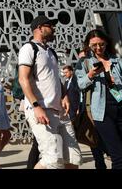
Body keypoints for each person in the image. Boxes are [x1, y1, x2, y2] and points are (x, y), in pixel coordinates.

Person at [18, 15, 82, 169]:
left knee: (73, 160)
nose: (54, 28)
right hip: (42, 111)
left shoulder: (51, 52)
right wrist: (36, 106)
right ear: (39, 28)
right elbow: (23, 79)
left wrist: (64, 95)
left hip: (59, 111)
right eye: (50, 25)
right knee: (52, 160)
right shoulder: (29, 48)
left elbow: (54, 78)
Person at [75, 29, 122, 169]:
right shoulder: (84, 63)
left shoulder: (118, 61)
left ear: (106, 43)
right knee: (119, 158)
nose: (98, 48)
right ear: (88, 45)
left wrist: (116, 80)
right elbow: (79, 85)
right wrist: (90, 75)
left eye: (101, 44)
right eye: (94, 45)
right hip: (102, 113)